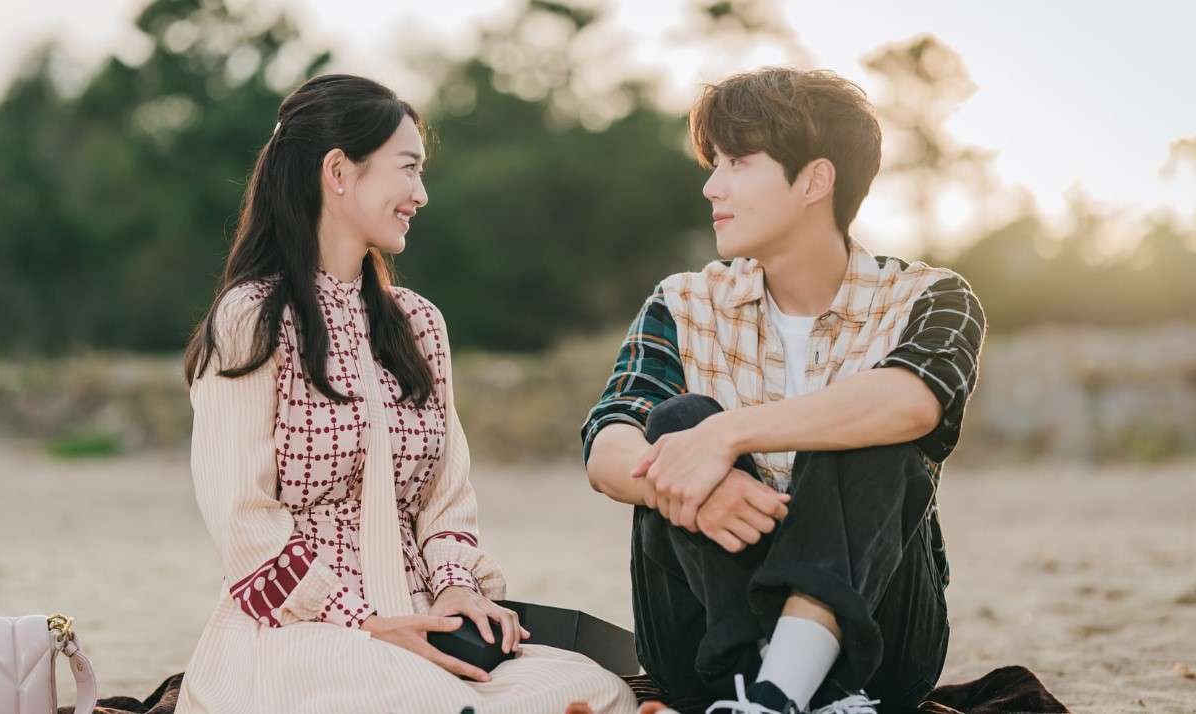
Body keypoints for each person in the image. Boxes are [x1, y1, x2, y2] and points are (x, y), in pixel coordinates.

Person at [177, 73, 636, 714]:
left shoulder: (419, 323)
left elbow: (447, 499)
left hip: (425, 625)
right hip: (303, 635)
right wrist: (367, 620)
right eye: (408, 169)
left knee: (594, 690)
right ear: (339, 172)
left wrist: (454, 590)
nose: (421, 194)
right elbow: (243, 523)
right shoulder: (249, 319)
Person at [583, 67, 986, 714]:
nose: (712, 185)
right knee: (678, 417)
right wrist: (695, 487)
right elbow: (607, 449)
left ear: (814, 180)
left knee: (867, 413)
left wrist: (727, 435)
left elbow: (912, 402)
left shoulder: (929, 297)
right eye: (713, 162)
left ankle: (778, 693)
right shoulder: (683, 303)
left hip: (878, 649)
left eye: (738, 162)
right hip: (705, 643)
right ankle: (772, 691)